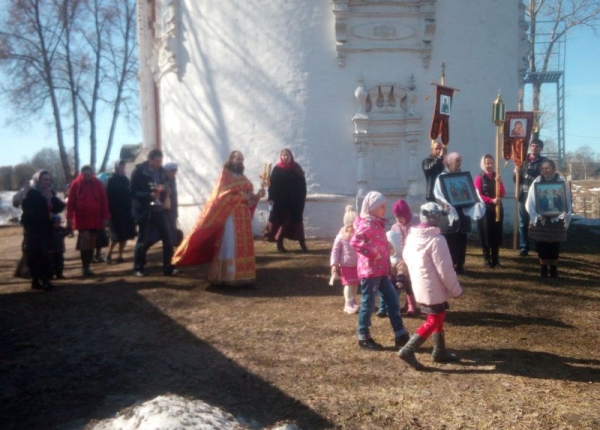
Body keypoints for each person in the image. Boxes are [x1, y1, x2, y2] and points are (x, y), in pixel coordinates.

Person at [172, 150, 265, 285]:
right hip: (230, 217)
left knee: (243, 247)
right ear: (231, 159)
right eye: (238, 159)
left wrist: (257, 196)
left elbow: (249, 200)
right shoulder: (225, 176)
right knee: (230, 244)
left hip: (243, 218)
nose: (240, 162)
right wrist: (241, 197)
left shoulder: (243, 178)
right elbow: (220, 198)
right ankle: (227, 276)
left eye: (242, 160)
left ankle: (245, 277)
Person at [398, 202, 463, 370]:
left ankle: (439, 350)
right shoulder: (437, 240)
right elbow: (445, 269)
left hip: (421, 284)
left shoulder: (412, 236)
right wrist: (456, 289)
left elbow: (406, 256)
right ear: (436, 219)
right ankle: (408, 350)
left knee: (439, 316)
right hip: (432, 286)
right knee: (433, 320)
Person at [350, 191, 410, 350]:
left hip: (382, 271)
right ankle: (363, 336)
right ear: (372, 207)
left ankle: (400, 333)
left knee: (392, 299)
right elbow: (355, 242)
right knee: (368, 303)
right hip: (370, 272)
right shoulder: (367, 224)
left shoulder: (377, 223)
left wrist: (386, 257)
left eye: (385, 206)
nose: (384, 209)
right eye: (381, 207)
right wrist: (373, 253)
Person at [434, 152, 485, 275]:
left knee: (462, 240)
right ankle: (450, 265)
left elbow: (470, 191)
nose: (459, 163)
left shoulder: (463, 177)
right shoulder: (441, 177)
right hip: (449, 214)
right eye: (457, 161)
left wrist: (473, 200)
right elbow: (438, 195)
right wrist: (444, 204)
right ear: (450, 162)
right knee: (450, 241)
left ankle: (460, 265)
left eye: (460, 161)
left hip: (462, 212)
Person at [130, 149, 176, 277]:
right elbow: (132, 192)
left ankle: (168, 267)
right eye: (156, 161)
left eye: (160, 161)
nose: (158, 163)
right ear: (149, 159)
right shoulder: (139, 172)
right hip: (146, 210)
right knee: (143, 240)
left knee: (168, 237)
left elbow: (166, 184)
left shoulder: (161, 172)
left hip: (160, 209)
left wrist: (167, 190)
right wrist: (149, 195)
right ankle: (138, 268)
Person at [525, 159, 572, 278]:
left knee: (554, 245)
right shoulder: (537, 181)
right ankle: (543, 269)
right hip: (542, 219)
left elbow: (566, 200)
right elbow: (531, 200)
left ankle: (554, 269)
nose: (545, 171)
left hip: (556, 219)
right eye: (543, 169)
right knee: (541, 245)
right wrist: (537, 213)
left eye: (548, 168)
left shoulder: (561, 182)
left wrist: (563, 212)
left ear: (553, 169)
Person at [20, 171, 66, 290]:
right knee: (39, 255)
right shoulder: (31, 194)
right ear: (38, 180)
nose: (48, 182)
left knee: (45, 254)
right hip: (33, 230)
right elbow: (29, 214)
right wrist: (47, 214)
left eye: (49, 180)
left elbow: (60, 206)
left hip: (46, 230)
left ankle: (38, 280)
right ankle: (42, 280)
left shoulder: (49, 193)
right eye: (45, 180)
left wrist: (51, 198)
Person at [66, 165, 110, 277]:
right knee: (85, 243)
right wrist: (69, 217)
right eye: (85, 175)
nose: (87, 177)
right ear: (81, 174)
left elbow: (104, 201)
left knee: (92, 243)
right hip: (82, 219)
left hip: (96, 218)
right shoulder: (76, 184)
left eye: (89, 175)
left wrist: (106, 217)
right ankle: (85, 266)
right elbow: (70, 202)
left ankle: (88, 265)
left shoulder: (98, 184)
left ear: (92, 173)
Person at [267, 148, 308, 252]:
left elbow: (303, 185)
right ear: (281, 157)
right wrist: (271, 197)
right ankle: (279, 245)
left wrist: (302, 198)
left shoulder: (296, 168)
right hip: (280, 202)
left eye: (287, 155)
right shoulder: (277, 169)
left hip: (295, 202)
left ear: (291, 156)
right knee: (282, 223)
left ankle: (303, 245)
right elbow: (272, 185)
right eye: (283, 155)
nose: (285, 157)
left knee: (297, 223)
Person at [386, 199, 420, 316]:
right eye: (396, 217)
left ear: (406, 215)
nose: (398, 220)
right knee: (400, 281)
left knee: (410, 282)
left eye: (400, 217)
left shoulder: (416, 225)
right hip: (399, 257)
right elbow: (391, 240)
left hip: (412, 257)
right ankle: (403, 304)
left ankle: (411, 304)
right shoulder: (395, 227)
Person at [514, 138, 546, 256]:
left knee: (537, 221)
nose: (534, 148)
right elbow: (516, 180)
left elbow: (545, 176)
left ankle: (539, 245)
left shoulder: (544, 162)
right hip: (523, 195)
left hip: (537, 196)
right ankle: (524, 247)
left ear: (541, 148)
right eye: (532, 145)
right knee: (523, 222)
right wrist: (516, 172)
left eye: (537, 146)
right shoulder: (522, 160)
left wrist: (534, 173)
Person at [474, 154, 505, 268]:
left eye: (491, 163)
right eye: (487, 163)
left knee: (496, 234)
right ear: (483, 164)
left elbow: (502, 193)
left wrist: (500, 182)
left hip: (497, 209)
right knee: (486, 234)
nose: (489, 165)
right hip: (485, 209)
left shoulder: (497, 177)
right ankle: (487, 259)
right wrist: (491, 200)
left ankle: (496, 259)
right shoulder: (479, 178)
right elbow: (478, 195)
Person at [330, 205, 360, 314]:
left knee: (355, 284)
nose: (354, 228)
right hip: (346, 264)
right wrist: (334, 264)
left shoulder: (358, 235)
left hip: (357, 264)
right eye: (351, 226)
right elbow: (335, 250)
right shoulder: (341, 236)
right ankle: (348, 303)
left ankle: (353, 300)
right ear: (347, 225)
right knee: (348, 284)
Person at [105, 160, 137, 264]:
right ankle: (108, 254)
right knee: (116, 235)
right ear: (116, 167)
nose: (122, 168)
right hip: (115, 211)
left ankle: (120, 255)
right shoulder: (111, 180)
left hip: (126, 210)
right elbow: (107, 196)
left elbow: (130, 192)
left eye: (124, 166)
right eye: (121, 166)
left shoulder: (126, 180)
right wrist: (108, 211)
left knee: (125, 234)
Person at [163, 162, 180, 246]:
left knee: (173, 227)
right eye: (172, 171)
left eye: (174, 172)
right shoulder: (163, 181)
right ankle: (170, 245)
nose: (174, 173)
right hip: (166, 209)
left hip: (173, 208)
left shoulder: (173, 180)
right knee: (168, 229)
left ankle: (173, 244)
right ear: (167, 171)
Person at [51, 214, 70, 279]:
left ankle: (59, 274)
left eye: (58, 222)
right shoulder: (49, 230)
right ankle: (51, 274)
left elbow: (67, 232)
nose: (57, 224)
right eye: (55, 223)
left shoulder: (61, 229)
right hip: (51, 250)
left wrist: (69, 227)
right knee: (52, 263)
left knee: (60, 262)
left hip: (60, 249)